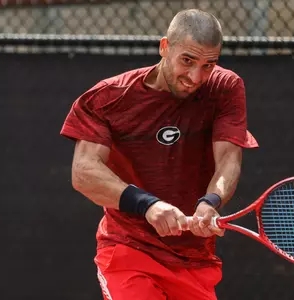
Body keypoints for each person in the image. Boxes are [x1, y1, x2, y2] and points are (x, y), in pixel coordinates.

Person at [60, 8, 258, 300]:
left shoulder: (225, 88)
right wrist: (148, 205)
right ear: (165, 47)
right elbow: (84, 172)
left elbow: (228, 159)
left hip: (194, 259)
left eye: (208, 65)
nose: (196, 76)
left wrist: (210, 202)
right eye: (187, 61)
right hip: (129, 249)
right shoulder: (107, 99)